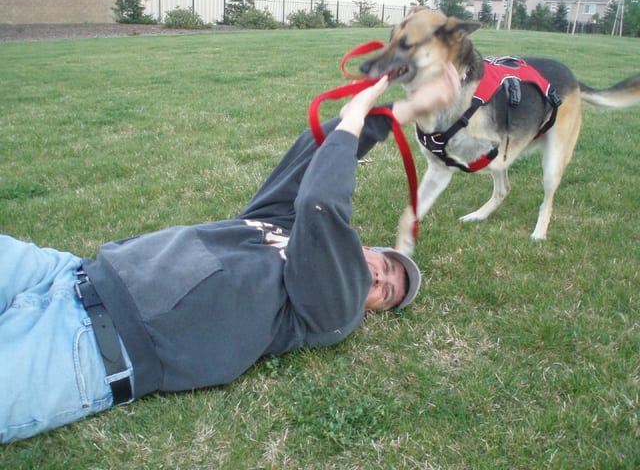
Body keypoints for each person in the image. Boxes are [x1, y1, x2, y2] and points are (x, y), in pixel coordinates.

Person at [0, 65, 460, 443]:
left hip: (91, 350)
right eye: (387, 267)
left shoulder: (332, 312)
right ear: (367, 247)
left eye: (387, 294)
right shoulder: (278, 225)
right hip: (65, 272)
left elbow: (321, 202)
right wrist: (394, 111)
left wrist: (360, 113)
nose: (381, 280)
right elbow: (313, 153)